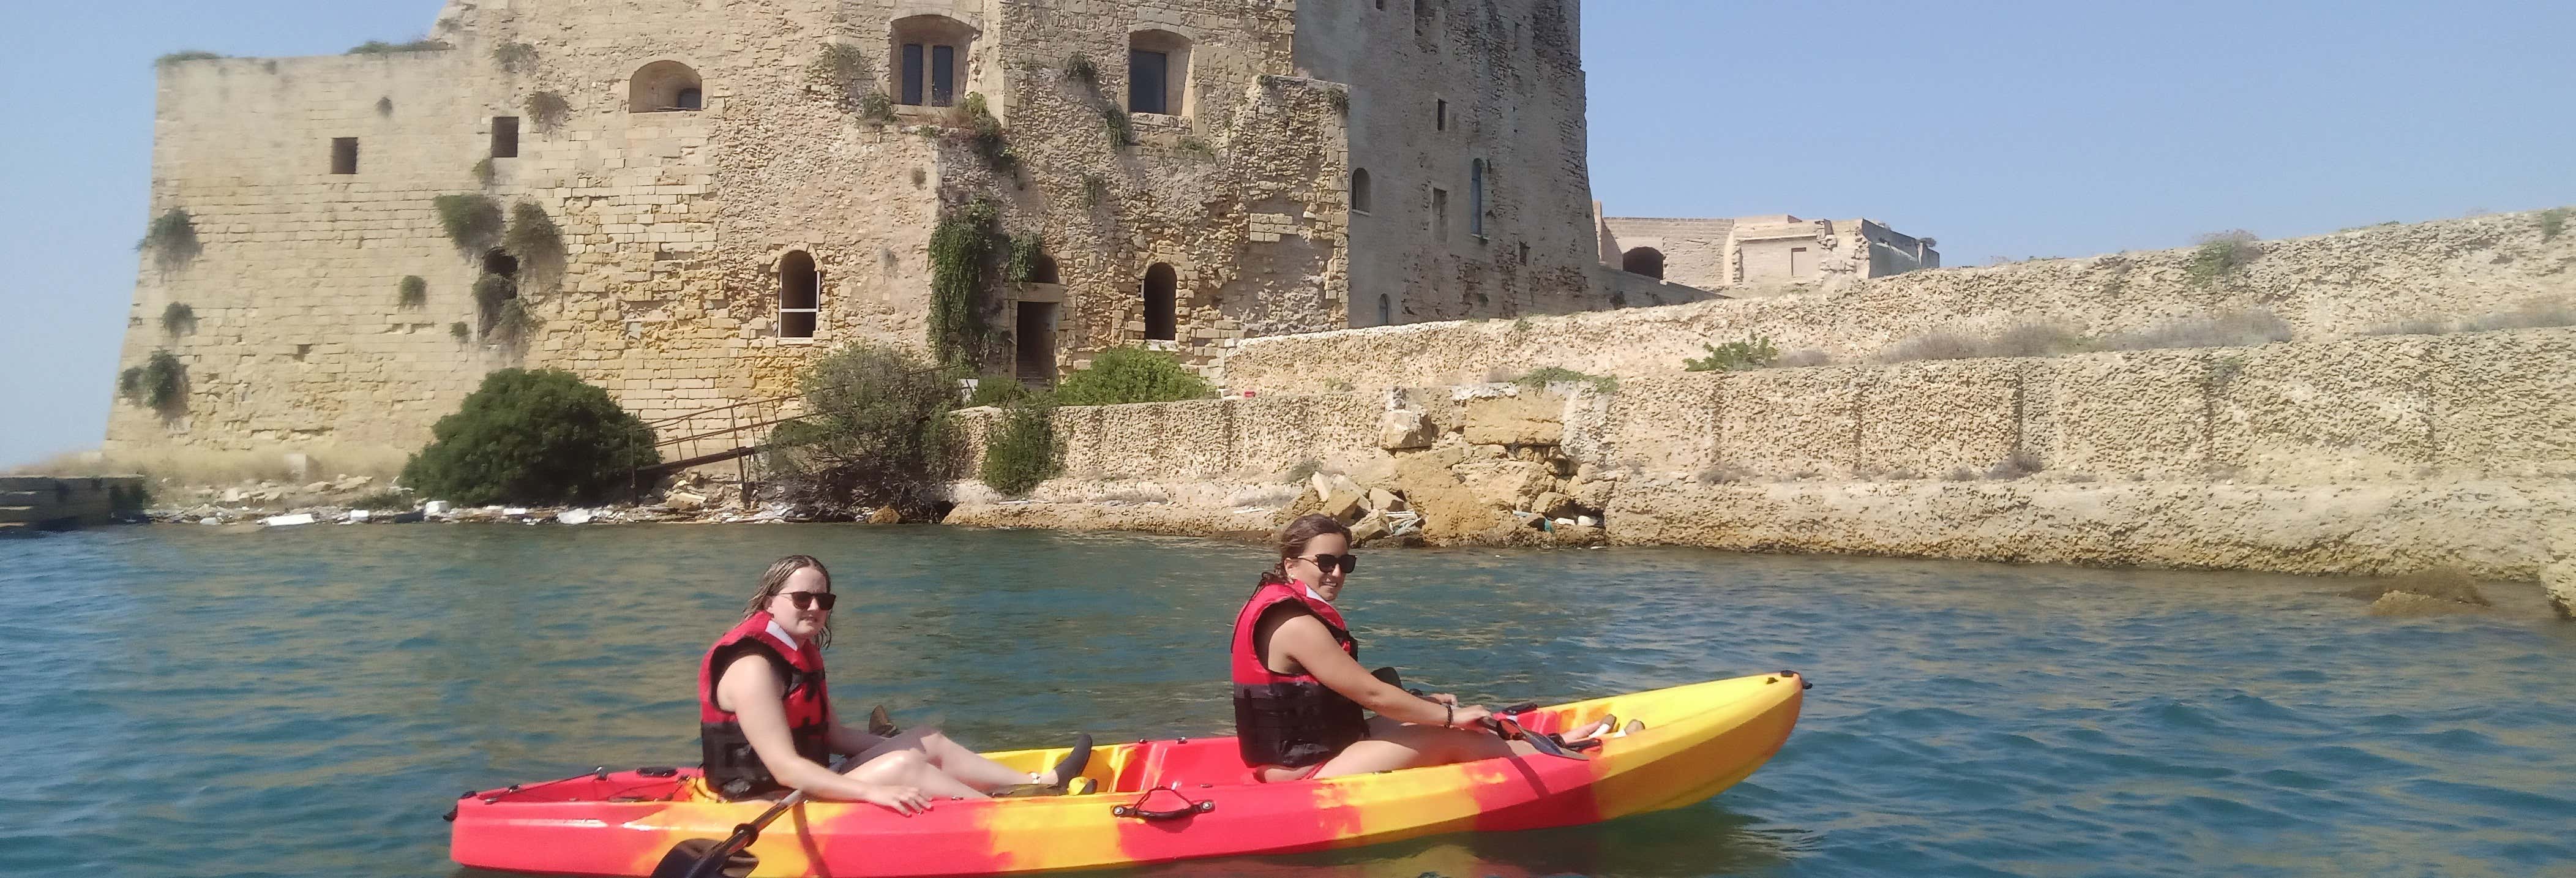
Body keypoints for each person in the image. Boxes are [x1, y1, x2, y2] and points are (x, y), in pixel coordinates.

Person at [1229, 516, 1620, 782]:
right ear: (1292, 565)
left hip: (1308, 753)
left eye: (1346, 562)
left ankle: (1553, 745)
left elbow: (1348, 695)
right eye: (1326, 561)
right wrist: (1448, 716)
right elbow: (1372, 694)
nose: (1336, 573)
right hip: (1303, 771)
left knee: (1424, 720)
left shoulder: (1280, 605)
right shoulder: (1295, 624)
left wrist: (1431, 708)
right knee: (1451, 734)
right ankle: (1564, 763)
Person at [698, 555, 1089, 814]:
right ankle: (1007, 816)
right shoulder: (753, 666)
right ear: (769, 602)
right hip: (762, 800)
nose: (816, 608)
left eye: (824, 599)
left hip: (804, 784)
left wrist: (903, 747)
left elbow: (833, 736)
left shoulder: (798, 652)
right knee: (905, 763)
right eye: (802, 599)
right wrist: (875, 788)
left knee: (924, 741)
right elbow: (785, 769)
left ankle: (1041, 785)